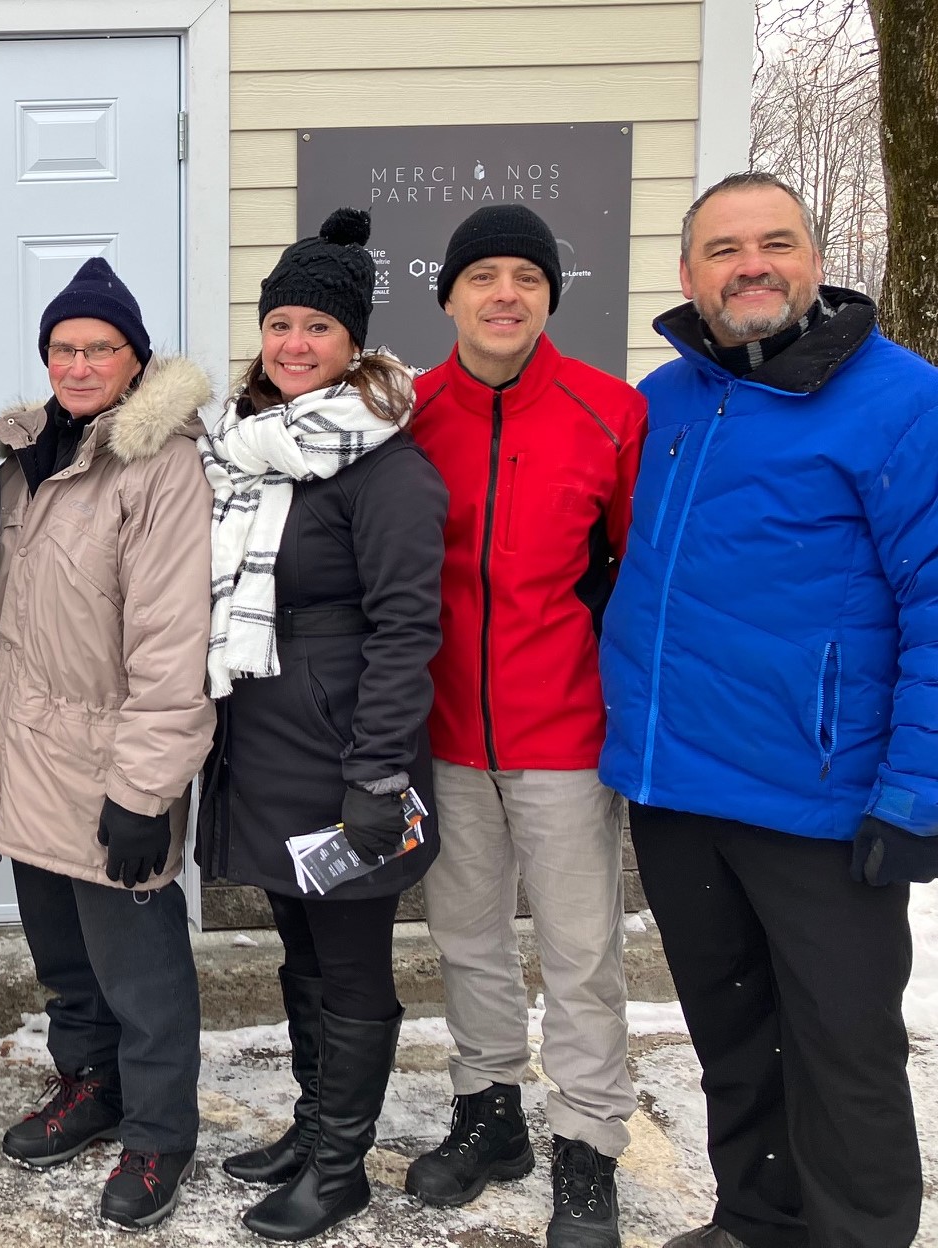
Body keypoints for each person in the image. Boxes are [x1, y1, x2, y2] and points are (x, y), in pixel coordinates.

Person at [600, 171, 937, 1248]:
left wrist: (917, 792)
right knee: (733, 1037)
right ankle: (755, 1218)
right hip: (678, 785)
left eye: (776, 243)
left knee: (843, 1053)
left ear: (816, 259)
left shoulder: (903, 402)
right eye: (726, 249)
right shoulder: (665, 402)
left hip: (822, 802)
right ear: (688, 275)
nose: (753, 266)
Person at [198, 209, 447, 1243]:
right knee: (298, 949)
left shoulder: (386, 468)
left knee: (349, 960)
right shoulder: (250, 449)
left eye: (318, 328)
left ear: (356, 346)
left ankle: (341, 1165)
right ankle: (313, 1126)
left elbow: (406, 628)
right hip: (263, 738)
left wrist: (379, 772)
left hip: (347, 747)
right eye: (281, 324)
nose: (294, 344)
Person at [404, 204, 647, 1248]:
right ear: (449, 293)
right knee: (466, 940)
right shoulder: (405, 411)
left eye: (527, 278)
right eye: (484, 275)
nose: (506, 294)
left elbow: (637, 575)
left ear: (551, 296)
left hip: (564, 736)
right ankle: (489, 1113)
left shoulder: (609, 414)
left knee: (582, 950)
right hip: (447, 730)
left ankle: (586, 1146)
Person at [0, 259, 215, 1230]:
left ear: (134, 360)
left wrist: (145, 790)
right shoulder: (25, 458)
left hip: (113, 759)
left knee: (140, 969)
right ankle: (92, 1085)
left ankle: (160, 1132)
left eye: (99, 348)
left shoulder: (159, 467)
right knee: (66, 960)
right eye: (63, 348)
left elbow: (171, 644)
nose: (79, 364)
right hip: (26, 750)